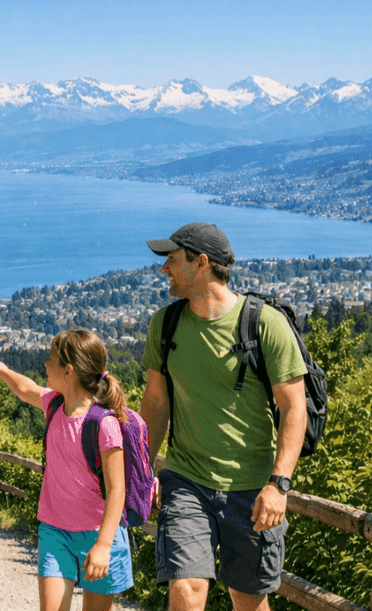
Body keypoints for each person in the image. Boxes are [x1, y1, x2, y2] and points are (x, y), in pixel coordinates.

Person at [139, 222, 308, 611]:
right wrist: (143, 468)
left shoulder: (265, 325)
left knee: (247, 601)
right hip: (186, 480)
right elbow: (156, 402)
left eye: (172, 259)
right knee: (186, 589)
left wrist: (279, 484)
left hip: (251, 487)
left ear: (201, 263)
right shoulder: (164, 325)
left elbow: (293, 407)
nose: (164, 268)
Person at [0, 329, 134, 611]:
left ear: (68, 371)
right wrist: (4, 372)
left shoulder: (104, 424)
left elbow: (117, 489)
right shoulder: (54, 405)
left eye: (51, 359)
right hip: (55, 532)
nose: (45, 364)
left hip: (100, 535)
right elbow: (26, 388)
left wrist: (103, 546)